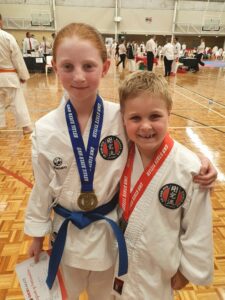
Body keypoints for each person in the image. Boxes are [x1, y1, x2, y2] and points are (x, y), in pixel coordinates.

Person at [24, 22, 216, 300]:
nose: (78, 76)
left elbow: (153, 137)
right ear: (55, 66)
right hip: (66, 235)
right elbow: (41, 187)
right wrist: (36, 236)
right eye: (68, 67)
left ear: (105, 67)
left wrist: (197, 160)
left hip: (108, 236)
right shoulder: (44, 128)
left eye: (88, 66)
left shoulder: (118, 117)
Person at [113, 71, 213, 300]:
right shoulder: (119, 152)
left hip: (157, 270)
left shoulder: (190, 168)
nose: (145, 126)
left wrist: (188, 270)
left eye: (155, 116)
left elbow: (197, 225)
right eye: (135, 118)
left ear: (169, 114)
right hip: (115, 259)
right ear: (122, 118)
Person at [0, 14, 32, 134]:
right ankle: (26, 127)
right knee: (17, 102)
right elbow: (17, 58)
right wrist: (23, 75)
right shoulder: (7, 37)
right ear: (0, 22)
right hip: (9, 76)